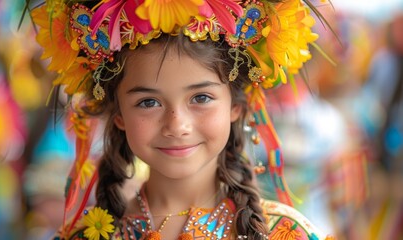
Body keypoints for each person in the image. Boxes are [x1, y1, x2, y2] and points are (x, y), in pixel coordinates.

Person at [29, 0, 336, 239]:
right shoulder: (86, 236)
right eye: (148, 102)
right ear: (118, 114)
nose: (177, 125)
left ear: (236, 106)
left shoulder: (286, 234)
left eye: (200, 98)